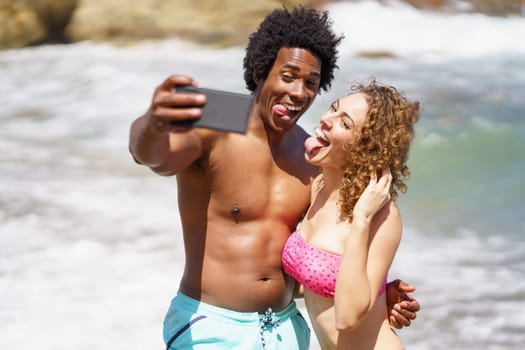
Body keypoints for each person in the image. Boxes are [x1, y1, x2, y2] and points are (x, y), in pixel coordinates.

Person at [129, 6, 419, 350]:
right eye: (288, 75)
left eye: (311, 83)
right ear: (259, 72)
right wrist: (152, 123)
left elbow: (323, 249)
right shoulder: (217, 115)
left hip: (285, 329)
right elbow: (153, 158)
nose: (298, 92)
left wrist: (375, 292)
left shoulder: (310, 152)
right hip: (212, 326)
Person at [282, 79, 421, 349]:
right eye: (333, 109)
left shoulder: (382, 216)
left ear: (364, 150)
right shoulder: (318, 187)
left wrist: (362, 220)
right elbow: (313, 283)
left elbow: (346, 317)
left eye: (344, 123)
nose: (326, 119)